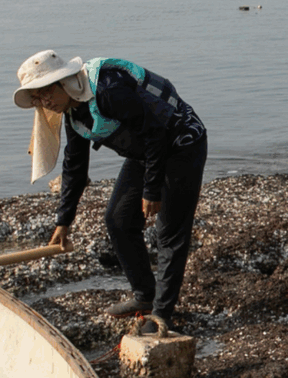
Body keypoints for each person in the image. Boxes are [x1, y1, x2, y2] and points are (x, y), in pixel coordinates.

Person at [13, 50, 207, 330]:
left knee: (169, 233)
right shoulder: (72, 112)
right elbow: (75, 166)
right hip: (147, 152)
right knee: (118, 220)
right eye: (38, 99)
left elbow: (155, 131)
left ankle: (162, 315)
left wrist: (152, 190)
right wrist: (64, 220)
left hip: (179, 143)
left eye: (46, 94)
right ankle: (145, 295)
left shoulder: (107, 89)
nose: (45, 103)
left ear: (63, 81)